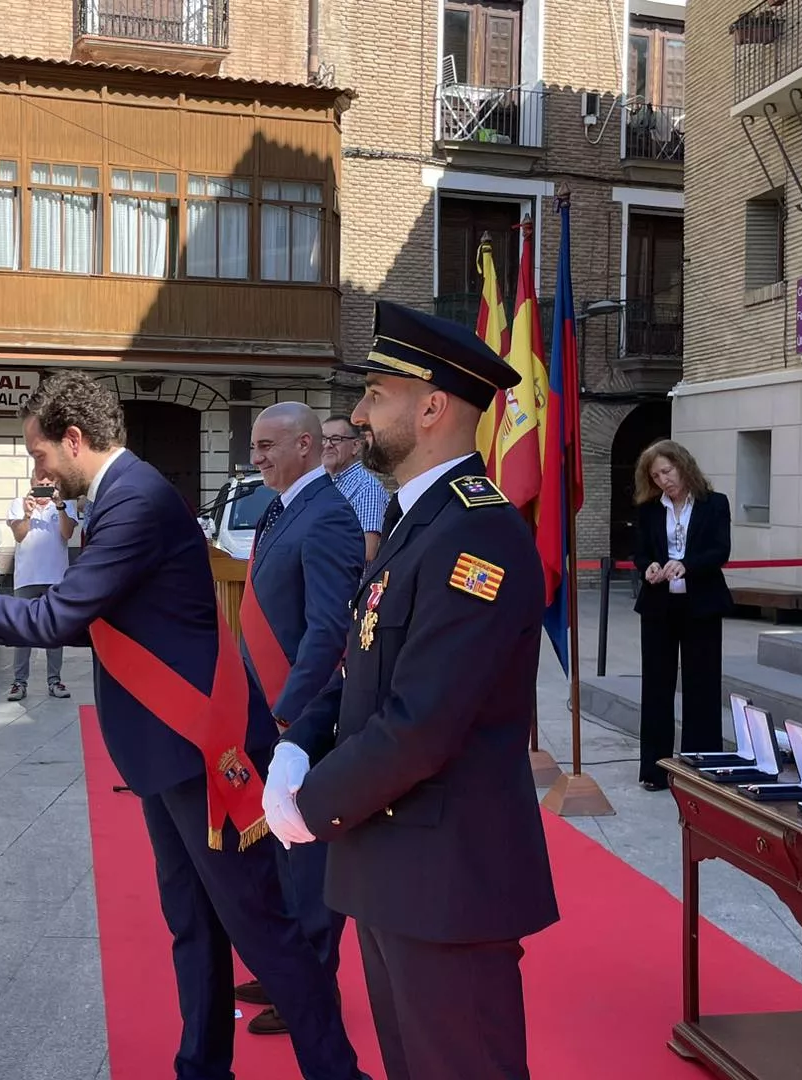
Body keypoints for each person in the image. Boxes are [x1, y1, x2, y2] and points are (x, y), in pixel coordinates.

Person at [0, 372, 370, 1080]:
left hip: (200, 749)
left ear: (73, 439)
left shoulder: (136, 501)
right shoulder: (120, 498)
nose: (38, 471)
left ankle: (337, 1072)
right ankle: (202, 1066)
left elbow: (62, 615)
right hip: (166, 752)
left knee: (263, 931)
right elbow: (100, 617)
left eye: (39, 455)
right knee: (193, 925)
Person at [264, 300, 558, 1080]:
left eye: (375, 395)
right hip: (394, 867)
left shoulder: (478, 533)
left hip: (447, 879)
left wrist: (310, 805)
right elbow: (367, 666)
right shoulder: (415, 520)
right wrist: (299, 743)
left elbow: (422, 721)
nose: (359, 415)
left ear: (431, 409)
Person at [234, 403, 365, 1036]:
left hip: (302, 714)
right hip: (268, 706)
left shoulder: (329, 514)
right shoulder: (281, 508)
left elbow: (328, 629)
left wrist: (291, 710)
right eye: (254, 446)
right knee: (280, 846)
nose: (255, 456)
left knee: (307, 858)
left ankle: (313, 990)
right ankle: (287, 969)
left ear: (306, 445)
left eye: (267, 445)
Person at [632, 439, 732, 792]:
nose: (663, 480)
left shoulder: (714, 504)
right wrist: (649, 566)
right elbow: (641, 553)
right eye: (656, 476)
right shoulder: (649, 510)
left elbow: (720, 551)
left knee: (702, 686)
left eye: (667, 471)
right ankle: (655, 769)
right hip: (659, 606)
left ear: (683, 466)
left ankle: (701, 769)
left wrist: (686, 565)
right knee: (656, 687)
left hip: (702, 605)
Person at [4, 468, 77, 702]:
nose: (44, 489)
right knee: (22, 631)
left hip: (56, 578)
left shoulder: (65, 505)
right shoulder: (19, 504)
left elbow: (67, 534)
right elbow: (19, 535)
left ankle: (54, 680)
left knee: (54, 631)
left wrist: (59, 506)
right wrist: (27, 514)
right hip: (26, 578)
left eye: (48, 485)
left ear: (55, 484)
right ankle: (19, 682)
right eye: (39, 484)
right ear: (32, 484)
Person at [321, 414, 389, 563]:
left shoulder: (366, 488)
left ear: (356, 446)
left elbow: (368, 551)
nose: (327, 445)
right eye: (323, 439)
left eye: (336, 439)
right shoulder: (325, 484)